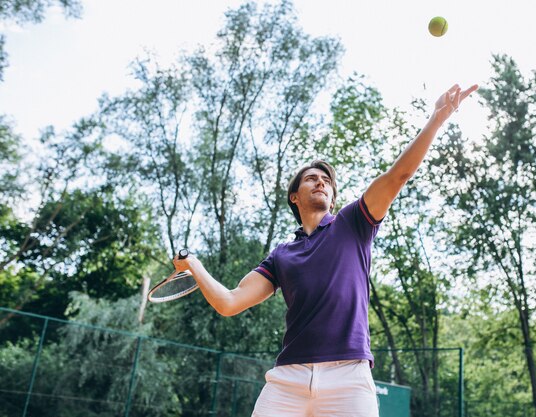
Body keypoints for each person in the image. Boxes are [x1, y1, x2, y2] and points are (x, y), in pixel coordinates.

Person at [173, 83, 478, 417]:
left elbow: (398, 176)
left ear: (333, 197)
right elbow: (229, 303)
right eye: (311, 179)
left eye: (326, 180)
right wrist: (195, 266)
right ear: (294, 196)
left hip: (349, 377)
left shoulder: (352, 223)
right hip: (288, 378)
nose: (320, 182)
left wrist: (436, 118)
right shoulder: (280, 256)